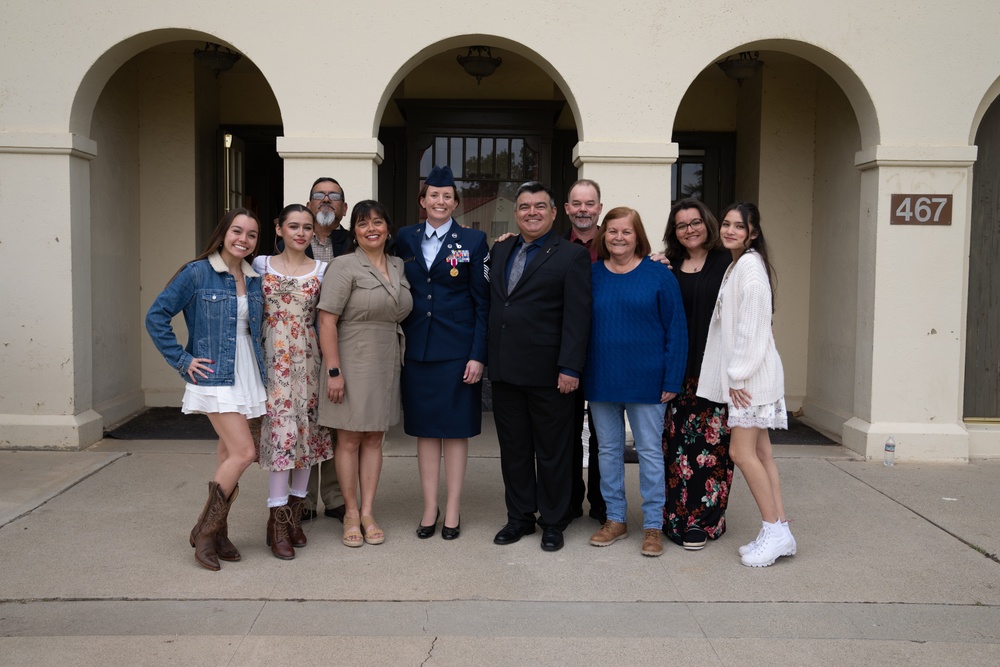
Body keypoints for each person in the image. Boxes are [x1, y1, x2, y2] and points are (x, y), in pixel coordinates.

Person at [145, 208, 266, 571]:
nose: (243, 239)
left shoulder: (254, 278)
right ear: (223, 233)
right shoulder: (196, 273)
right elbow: (156, 316)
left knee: (229, 454)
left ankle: (220, 532)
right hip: (215, 375)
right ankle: (204, 531)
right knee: (245, 453)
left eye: (251, 235)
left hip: (249, 371)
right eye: (237, 231)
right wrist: (183, 360)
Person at [488, 181, 591, 552]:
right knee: (514, 451)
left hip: (551, 375)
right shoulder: (501, 250)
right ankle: (519, 518)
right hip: (505, 371)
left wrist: (570, 368)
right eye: (524, 207)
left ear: (552, 211)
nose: (531, 212)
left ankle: (553, 520)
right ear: (515, 214)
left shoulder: (570, 256)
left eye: (539, 206)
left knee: (553, 452)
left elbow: (578, 318)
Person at [697, 201, 796, 567]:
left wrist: (737, 375)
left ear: (752, 232)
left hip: (749, 380)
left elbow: (753, 329)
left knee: (741, 453)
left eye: (738, 226)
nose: (729, 231)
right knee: (763, 454)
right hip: (754, 377)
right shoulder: (739, 264)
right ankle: (781, 529)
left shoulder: (750, 269)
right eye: (725, 224)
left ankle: (773, 530)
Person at [585, 207, 687, 557]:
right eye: (612, 231)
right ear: (603, 235)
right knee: (608, 451)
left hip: (648, 380)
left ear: (638, 235)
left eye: (626, 232)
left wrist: (673, 376)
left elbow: (677, 330)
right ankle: (615, 519)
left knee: (648, 453)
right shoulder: (591, 273)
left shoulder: (659, 275)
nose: (618, 237)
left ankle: (653, 526)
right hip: (601, 376)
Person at [397, 166, 490, 541]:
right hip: (417, 350)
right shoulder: (404, 237)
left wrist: (478, 355)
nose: (440, 201)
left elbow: (483, 302)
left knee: (454, 432)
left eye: (447, 196)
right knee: (425, 432)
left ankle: (452, 508)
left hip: (457, 351)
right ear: (423, 201)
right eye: (433, 195)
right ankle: (429, 507)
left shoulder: (473, 240)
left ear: (455, 202)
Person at [317, 200, 413, 547]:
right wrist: (334, 371)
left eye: (377, 222)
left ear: (388, 227)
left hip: (387, 360)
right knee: (350, 439)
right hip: (351, 359)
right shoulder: (343, 266)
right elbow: (326, 319)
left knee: (375, 438)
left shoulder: (399, 264)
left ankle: (369, 510)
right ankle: (351, 513)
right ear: (354, 231)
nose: (371, 228)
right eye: (362, 223)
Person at [251, 204, 334, 560]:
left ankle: (295, 517)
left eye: (307, 228)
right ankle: (277, 523)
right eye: (294, 226)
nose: (301, 233)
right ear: (279, 228)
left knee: (306, 438)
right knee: (283, 438)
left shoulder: (323, 270)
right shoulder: (259, 265)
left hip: (308, 362)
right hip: (272, 364)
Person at [661, 198, 735, 551]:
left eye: (695, 222)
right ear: (674, 232)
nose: (689, 229)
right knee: (676, 450)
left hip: (716, 371)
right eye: (681, 225)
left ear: (707, 223)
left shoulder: (728, 263)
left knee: (711, 451)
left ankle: (703, 522)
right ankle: (675, 517)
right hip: (678, 371)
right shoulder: (668, 264)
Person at [300, 177, 350, 523]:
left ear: (344, 208)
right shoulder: (286, 239)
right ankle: (301, 499)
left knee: (334, 419)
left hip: (342, 341)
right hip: (300, 345)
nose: (326, 201)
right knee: (303, 420)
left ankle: (333, 497)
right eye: (319, 196)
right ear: (308, 205)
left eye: (334, 197)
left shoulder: (355, 241)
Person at [563, 179, 606, 523]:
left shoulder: (617, 242)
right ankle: (570, 500)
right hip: (567, 352)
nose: (583, 210)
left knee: (605, 434)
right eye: (576, 204)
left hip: (607, 349)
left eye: (589, 204)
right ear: (566, 209)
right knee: (567, 429)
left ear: (599, 208)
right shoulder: (557, 245)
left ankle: (604, 504)